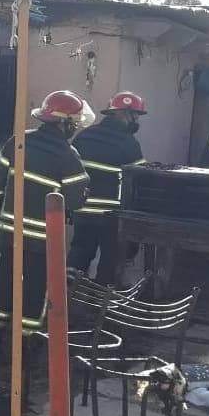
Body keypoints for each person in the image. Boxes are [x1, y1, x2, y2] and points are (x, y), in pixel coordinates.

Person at [0, 90, 91, 340]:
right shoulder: (67, 155)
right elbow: (75, 199)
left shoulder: (18, 141)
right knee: (35, 288)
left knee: (4, 281)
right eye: (73, 124)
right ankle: (25, 340)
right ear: (65, 124)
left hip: (10, 233)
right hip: (43, 240)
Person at [66, 91, 148, 286]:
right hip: (110, 214)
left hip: (82, 209)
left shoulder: (84, 136)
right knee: (110, 260)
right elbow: (140, 179)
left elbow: (70, 169)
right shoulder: (129, 143)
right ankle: (99, 305)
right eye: (134, 115)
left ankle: (65, 299)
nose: (136, 120)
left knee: (79, 254)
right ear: (122, 113)